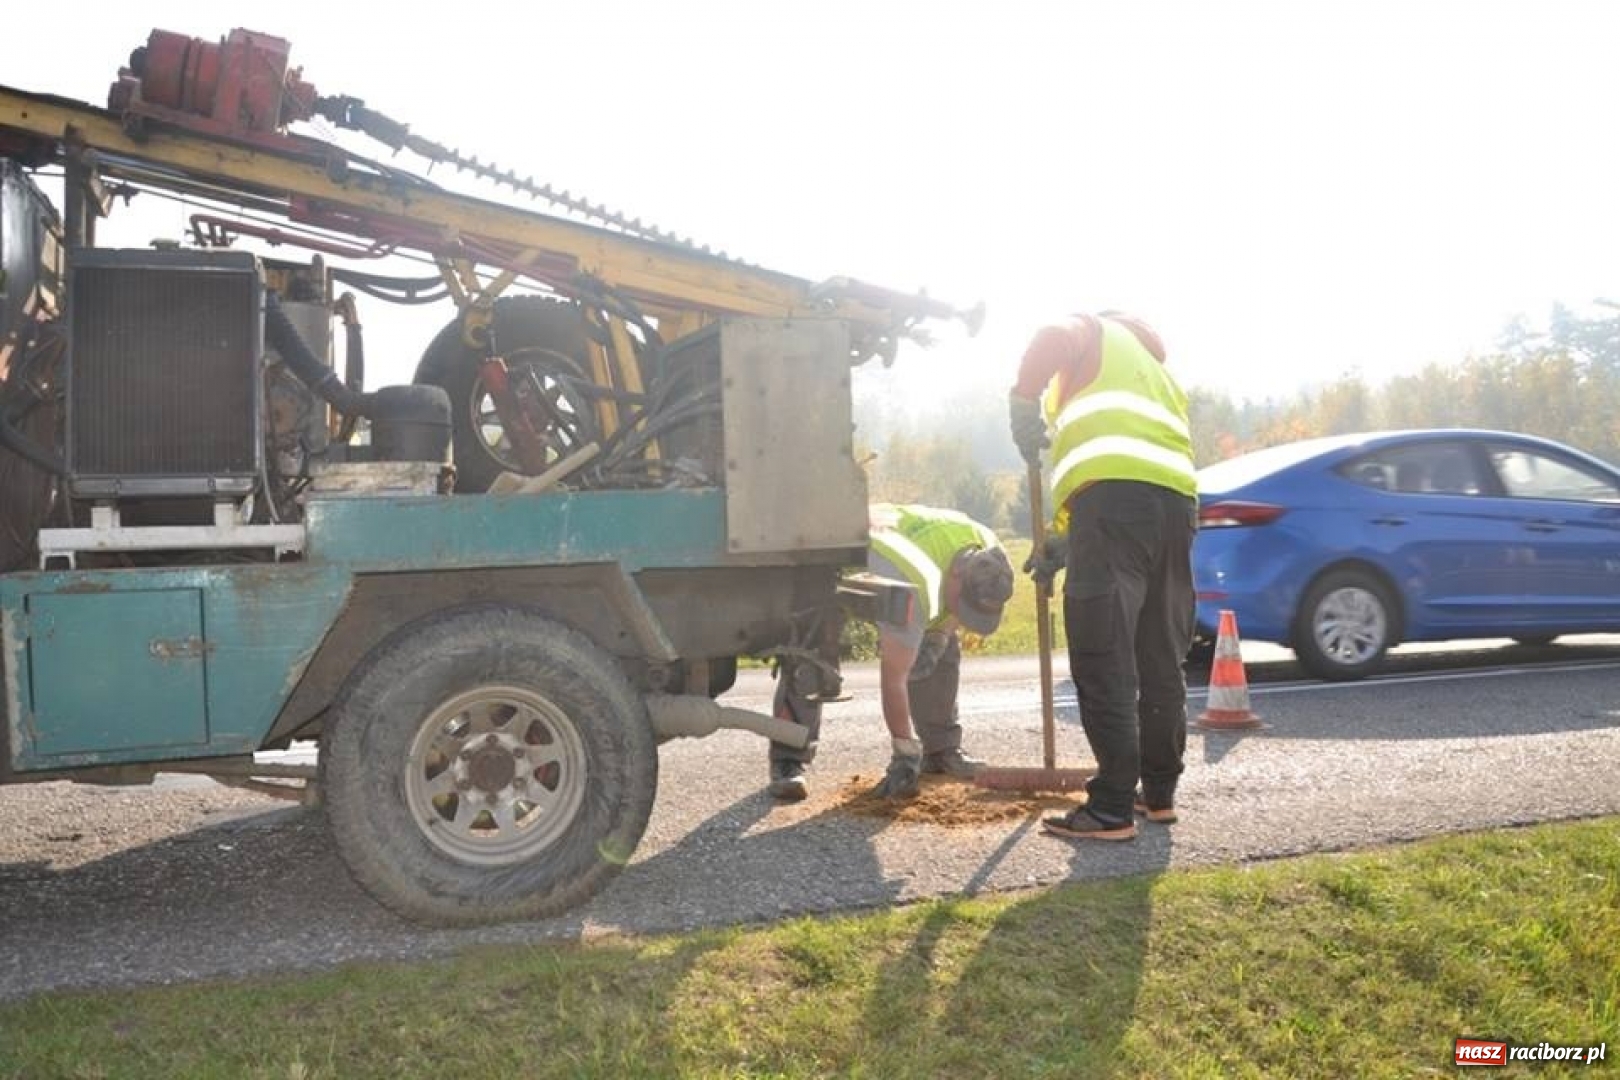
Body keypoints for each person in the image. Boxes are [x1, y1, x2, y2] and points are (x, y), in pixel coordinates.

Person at [1008, 311, 1197, 841]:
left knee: (1102, 652)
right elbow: (1124, 463)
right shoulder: (1159, 377)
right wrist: (1065, 541)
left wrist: (1022, 399)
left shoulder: (1092, 329)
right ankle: (1158, 795)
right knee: (1160, 655)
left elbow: (1049, 334)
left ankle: (1111, 808)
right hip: (1175, 513)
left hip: (1115, 508)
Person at [767, 503, 1015, 801]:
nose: (961, 614)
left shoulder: (991, 552)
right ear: (957, 575)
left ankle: (940, 751)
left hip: (906, 558)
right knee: (812, 650)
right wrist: (904, 750)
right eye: (962, 605)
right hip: (836, 553)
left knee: (943, 652)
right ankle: (788, 759)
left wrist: (939, 635)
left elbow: (955, 607)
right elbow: (894, 678)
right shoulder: (912, 580)